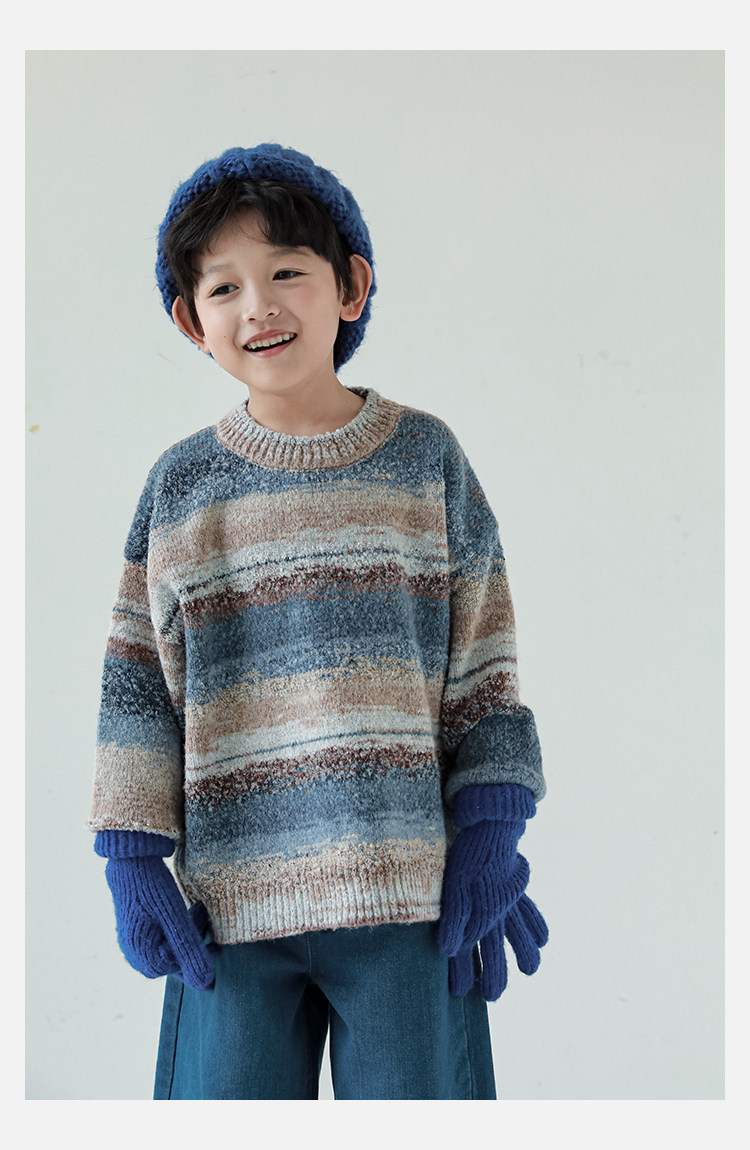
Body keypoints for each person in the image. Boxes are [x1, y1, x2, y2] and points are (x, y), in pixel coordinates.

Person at [87, 143, 548, 1101]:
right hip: (230, 911)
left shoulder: (426, 461)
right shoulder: (182, 487)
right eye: (224, 287)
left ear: (352, 287)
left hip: (408, 898)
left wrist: (492, 827)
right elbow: (136, 686)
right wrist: (132, 857)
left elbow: (486, 666)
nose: (258, 305)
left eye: (287, 272)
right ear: (191, 322)